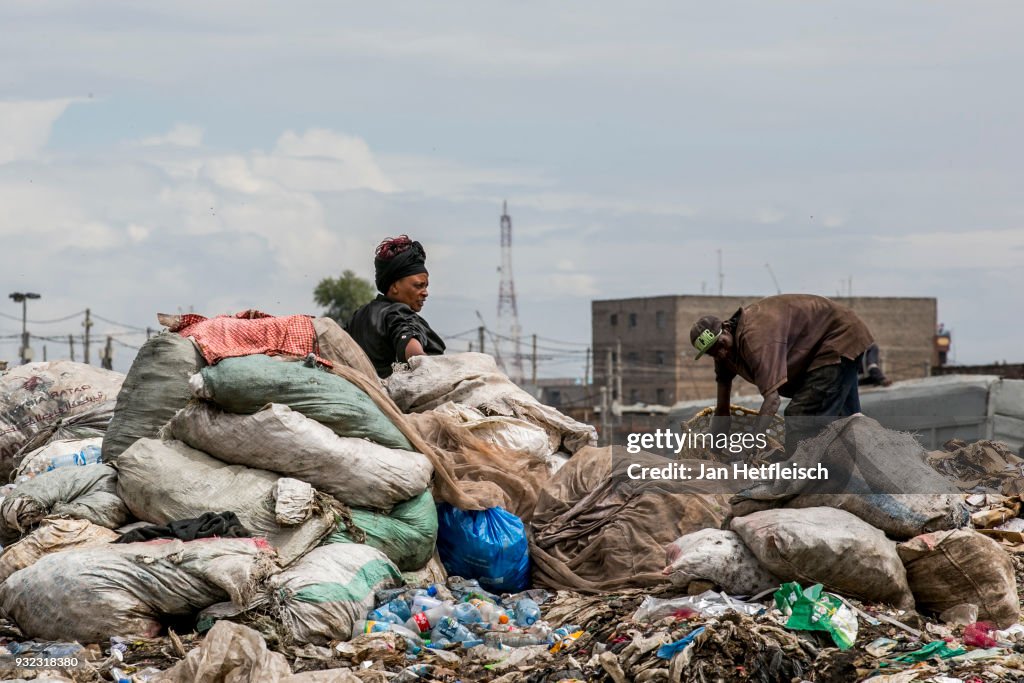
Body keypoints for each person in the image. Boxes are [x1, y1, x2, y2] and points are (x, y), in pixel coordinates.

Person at [690, 294, 874, 454]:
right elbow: (722, 410)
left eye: (721, 345)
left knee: (800, 417)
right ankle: (865, 480)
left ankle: (800, 483)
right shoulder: (723, 356)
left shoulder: (755, 339)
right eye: (712, 352)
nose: (720, 354)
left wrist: (750, 446)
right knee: (849, 421)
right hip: (827, 346)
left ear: (727, 328)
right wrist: (715, 451)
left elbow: (772, 401)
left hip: (838, 338)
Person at [347, 235, 446, 378]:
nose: (425, 293)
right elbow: (415, 355)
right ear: (394, 286)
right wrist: (431, 371)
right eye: (418, 286)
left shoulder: (358, 316)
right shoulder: (399, 314)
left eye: (425, 286)